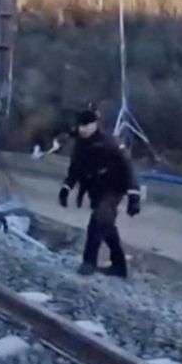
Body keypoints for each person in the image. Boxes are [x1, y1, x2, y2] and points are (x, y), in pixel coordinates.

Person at [58, 107, 141, 278]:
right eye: (80, 125)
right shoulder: (81, 146)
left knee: (100, 219)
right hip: (96, 189)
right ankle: (118, 266)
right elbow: (75, 170)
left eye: (87, 125)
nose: (83, 129)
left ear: (95, 124)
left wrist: (134, 195)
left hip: (114, 187)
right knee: (105, 225)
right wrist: (66, 188)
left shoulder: (110, 142)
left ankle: (89, 262)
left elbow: (128, 167)